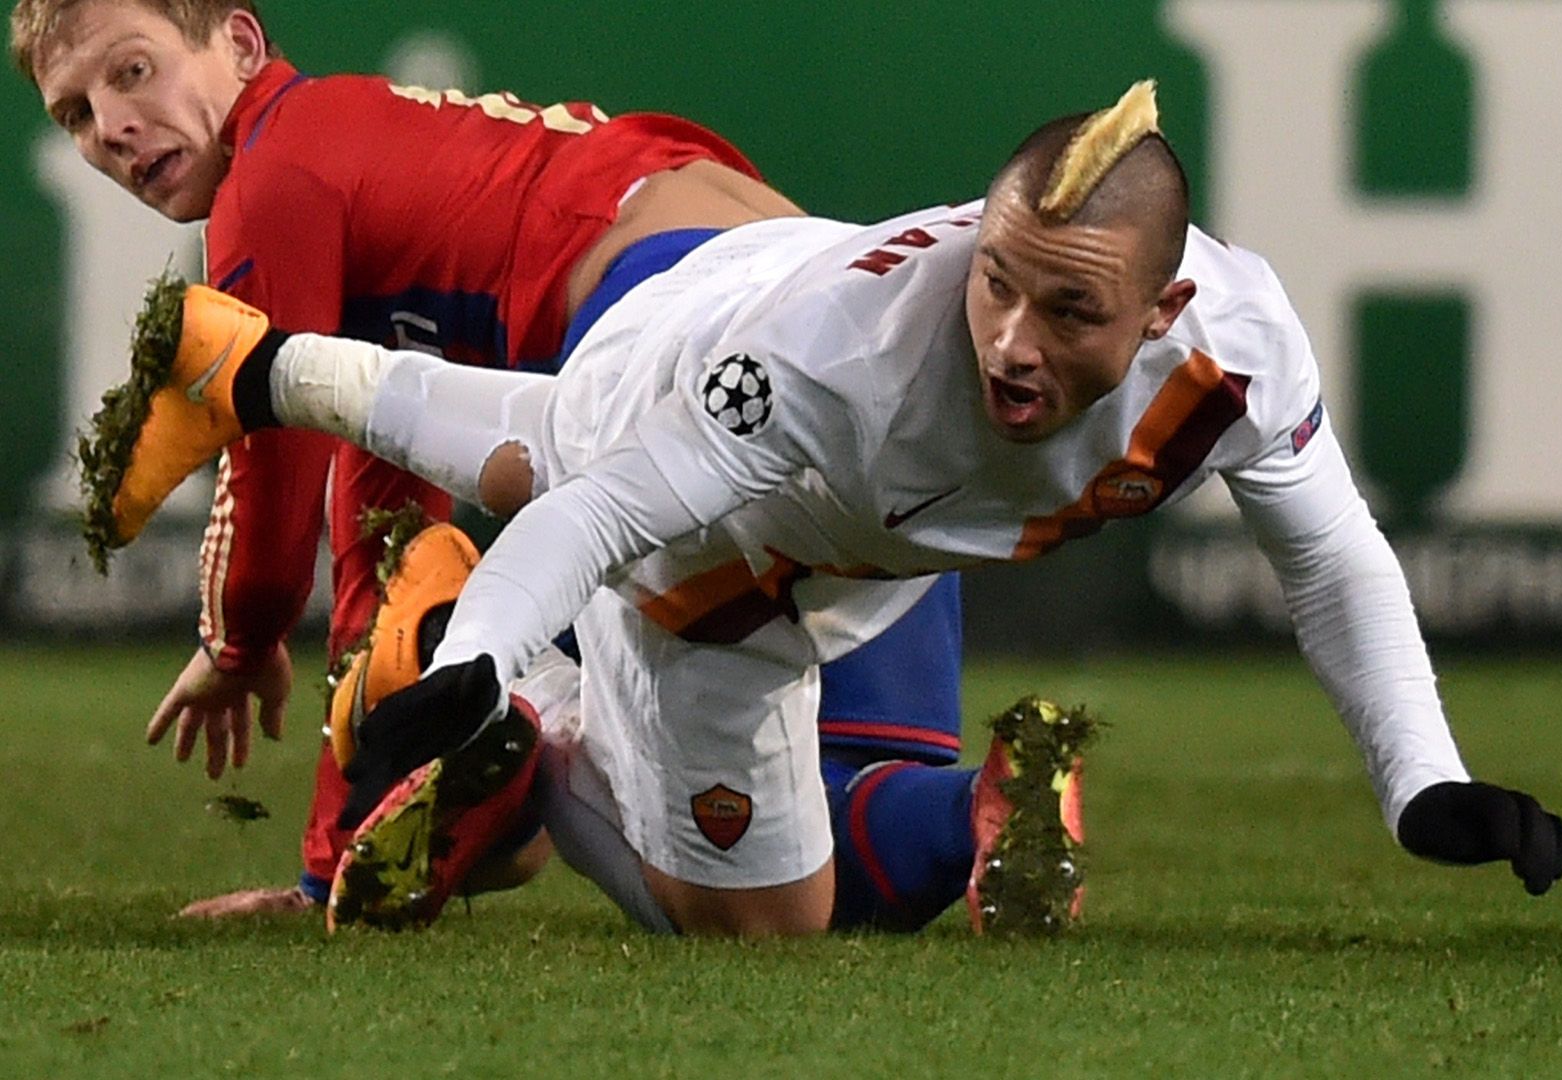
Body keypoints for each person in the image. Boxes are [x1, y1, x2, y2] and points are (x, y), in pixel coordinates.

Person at [88, 79, 1562, 938]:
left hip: (863, 527)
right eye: (997, 279)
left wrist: (1423, 785)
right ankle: (542, 732)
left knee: (530, 440)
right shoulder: (839, 365)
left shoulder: (1239, 350)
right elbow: (604, 514)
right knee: (758, 932)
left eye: (1070, 308)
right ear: (971, 243)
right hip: (705, 450)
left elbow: (1331, 560)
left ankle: (253, 363)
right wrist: (479, 662)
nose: (1011, 337)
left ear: (1169, 308)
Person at [16, 0, 1006, 933]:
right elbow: (388, 532)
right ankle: (987, 808)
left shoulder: (276, 176)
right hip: (852, 349)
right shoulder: (394, 162)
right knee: (843, 853)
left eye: (132, 72)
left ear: (238, 41)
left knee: (723, 897)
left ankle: (523, 727)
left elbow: (266, 440)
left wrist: (240, 640)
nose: (111, 125)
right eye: (73, 113)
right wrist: (332, 865)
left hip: (681, 335)